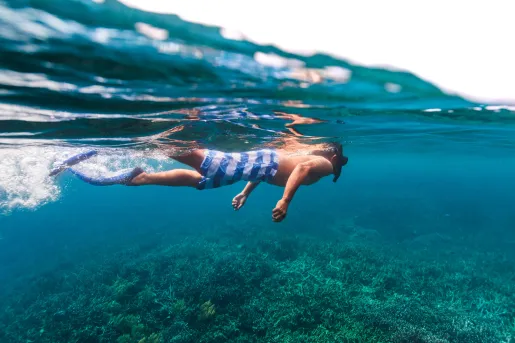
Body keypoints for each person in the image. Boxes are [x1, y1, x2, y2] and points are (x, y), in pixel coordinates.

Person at [50, 140, 348, 222]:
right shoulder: (323, 162)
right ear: (334, 156)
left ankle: (142, 176)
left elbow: (270, 173)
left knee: (203, 180)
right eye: (342, 160)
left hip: (255, 170)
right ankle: (152, 138)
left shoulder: (321, 165)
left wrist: (245, 194)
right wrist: (284, 200)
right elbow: (298, 171)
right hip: (260, 162)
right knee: (193, 157)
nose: (341, 166)